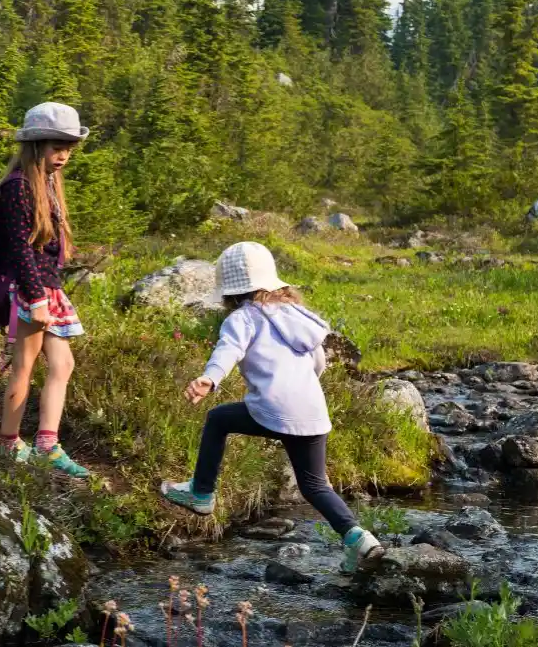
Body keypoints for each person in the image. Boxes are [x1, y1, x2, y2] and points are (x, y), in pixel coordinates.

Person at [159, 241, 383, 572]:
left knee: (218, 418)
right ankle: (360, 539)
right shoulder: (298, 315)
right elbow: (318, 362)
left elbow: (228, 351)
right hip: (312, 409)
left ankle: (201, 494)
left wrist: (210, 378)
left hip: (274, 407)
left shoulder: (242, 318)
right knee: (315, 486)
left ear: (230, 292)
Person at [0, 102, 90, 478]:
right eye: (55, 146)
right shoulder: (18, 187)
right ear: (35, 147)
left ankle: (47, 445)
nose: (63, 154)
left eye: (68, 147)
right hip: (31, 291)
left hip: (47, 289)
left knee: (62, 364)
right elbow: (18, 247)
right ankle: (7, 443)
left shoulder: (47, 182)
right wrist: (35, 299)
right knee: (24, 366)